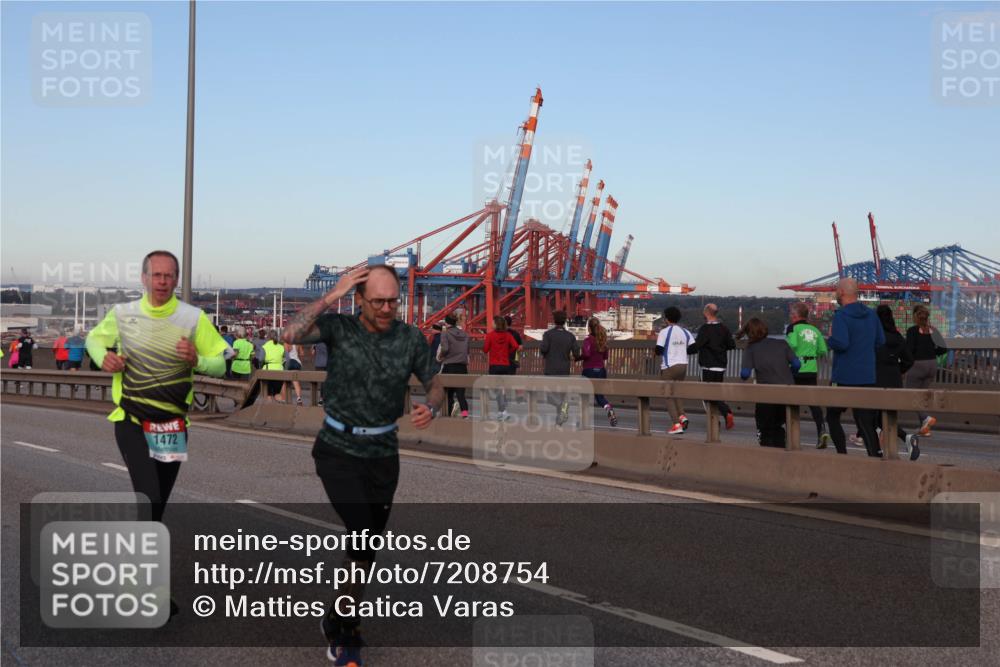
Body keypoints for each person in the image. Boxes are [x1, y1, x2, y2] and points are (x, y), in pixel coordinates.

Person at [281, 264, 443, 665]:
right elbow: (290, 334)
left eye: (393, 301)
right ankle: (346, 631)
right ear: (359, 300)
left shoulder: (409, 339)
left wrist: (433, 405)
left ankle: (338, 617)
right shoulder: (340, 328)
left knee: (366, 548)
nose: (387, 308)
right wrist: (332, 295)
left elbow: (435, 381)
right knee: (362, 529)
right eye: (378, 301)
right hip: (337, 448)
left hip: (383, 454)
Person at [86, 250, 228, 527]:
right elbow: (93, 339)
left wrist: (197, 360)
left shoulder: (193, 318)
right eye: (156, 275)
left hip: (172, 425)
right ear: (144, 278)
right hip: (132, 421)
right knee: (148, 496)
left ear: (176, 280)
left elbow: (221, 366)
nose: (162, 281)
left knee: (158, 502)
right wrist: (104, 357)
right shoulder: (123, 314)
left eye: (168, 275)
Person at [825, 278, 885, 457]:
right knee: (865, 422)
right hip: (867, 376)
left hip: (843, 377)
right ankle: (875, 458)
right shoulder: (872, 314)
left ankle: (842, 455)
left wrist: (830, 339)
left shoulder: (841, 315)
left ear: (841, 292)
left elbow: (842, 343)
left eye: (837, 289)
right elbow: (880, 341)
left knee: (832, 416)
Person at [739, 318, 800, 447]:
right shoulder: (782, 343)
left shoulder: (751, 349)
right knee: (778, 424)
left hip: (766, 394)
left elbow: (745, 374)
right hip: (788, 391)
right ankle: (781, 449)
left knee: (765, 428)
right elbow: (797, 364)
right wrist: (788, 374)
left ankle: (768, 454)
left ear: (749, 333)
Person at [875, 305, 919, 460]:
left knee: (875, 417)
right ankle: (901, 442)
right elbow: (909, 360)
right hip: (894, 379)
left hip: (877, 379)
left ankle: (901, 440)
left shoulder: (875, 336)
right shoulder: (898, 336)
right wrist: (898, 370)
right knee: (889, 416)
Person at [785, 302, 831, 448]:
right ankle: (821, 430)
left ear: (795, 315)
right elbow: (823, 350)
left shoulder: (793, 328)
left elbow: (790, 347)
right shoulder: (814, 330)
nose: (790, 317)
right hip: (811, 369)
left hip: (796, 369)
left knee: (792, 402)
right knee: (813, 403)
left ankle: (791, 437)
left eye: (791, 315)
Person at [687, 304, 736, 430]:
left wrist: (685, 350)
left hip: (708, 366)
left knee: (706, 395)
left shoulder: (705, 329)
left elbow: (697, 345)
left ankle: (720, 417)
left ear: (706, 313)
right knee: (716, 393)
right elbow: (731, 345)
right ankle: (724, 414)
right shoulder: (724, 328)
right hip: (721, 366)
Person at [905, 304, 947, 437]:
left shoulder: (912, 331)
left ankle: (925, 418)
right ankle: (925, 428)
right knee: (922, 396)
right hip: (932, 364)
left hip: (918, 365)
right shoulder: (933, 330)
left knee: (912, 395)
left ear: (915, 317)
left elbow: (909, 350)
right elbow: (943, 349)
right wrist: (931, 351)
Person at [655, 306, 694, 435]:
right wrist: (681, 350)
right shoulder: (685, 332)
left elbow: (658, 350)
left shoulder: (664, 332)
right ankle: (682, 416)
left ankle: (676, 424)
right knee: (676, 392)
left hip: (669, 366)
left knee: (668, 395)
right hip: (683, 366)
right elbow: (694, 348)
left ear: (666, 318)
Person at [540, 310, 580, 426]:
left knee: (550, 396)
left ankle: (561, 409)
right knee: (562, 394)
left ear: (554, 320)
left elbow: (543, 349)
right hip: (564, 369)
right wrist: (575, 357)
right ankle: (560, 418)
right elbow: (576, 353)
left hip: (551, 369)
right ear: (564, 321)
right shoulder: (570, 336)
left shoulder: (548, 335)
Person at [580, 317, 618, 426]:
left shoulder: (588, 340)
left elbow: (586, 354)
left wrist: (579, 357)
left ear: (589, 328)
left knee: (584, 396)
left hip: (589, 370)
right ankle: (608, 408)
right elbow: (605, 356)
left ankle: (583, 421)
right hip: (601, 370)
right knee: (600, 396)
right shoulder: (602, 340)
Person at [483, 315, 519, 421]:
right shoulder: (508, 335)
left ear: (496, 324)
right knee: (501, 388)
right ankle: (501, 411)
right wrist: (508, 352)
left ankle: (503, 411)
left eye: (492, 322)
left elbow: (485, 350)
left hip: (494, 365)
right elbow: (516, 346)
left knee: (496, 389)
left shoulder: (490, 335)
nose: (491, 324)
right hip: (505, 365)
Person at [437, 312, 470, 418]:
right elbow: (467, 351)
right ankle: (465, 414)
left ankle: (448, 414)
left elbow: (445, 348)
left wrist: (441, 356)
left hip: (449, 366)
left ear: (446, 323)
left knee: (448, 394)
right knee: (461, 394)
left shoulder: (445, 333)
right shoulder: (465, 334)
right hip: (462, 367)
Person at [261, 330, 286, 403]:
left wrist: (261, 366)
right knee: (277, 393)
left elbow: (260, 359)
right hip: (279, 370)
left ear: (268, 337)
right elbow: (287, 359)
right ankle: (283, 406)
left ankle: (270, 410)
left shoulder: (265, 346)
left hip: (268, 371)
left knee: (268, 394)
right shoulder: (281, 347)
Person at [284, 340, 305, 405]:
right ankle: (298, 398)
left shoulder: (286, 342)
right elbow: (302, 353)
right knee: (296, 381)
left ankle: (285, 399)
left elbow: (286, 353)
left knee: (285, 382)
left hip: (289, 362)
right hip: (297, 362)